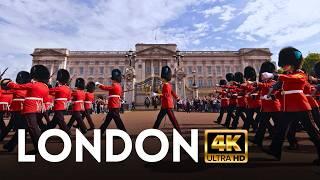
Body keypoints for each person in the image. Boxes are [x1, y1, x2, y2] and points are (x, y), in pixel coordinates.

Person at [262, 47, 320, 165]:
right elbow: (278, 86)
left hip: (301, 106)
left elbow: (292, 79)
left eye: (285, 64)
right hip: (287, 107)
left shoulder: (301, 74)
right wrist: (269, 94)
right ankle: (275, 151)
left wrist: (274, 76)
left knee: (313, 132)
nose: (283, 66)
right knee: (280, 130)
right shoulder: (286, 75)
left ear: (293, 63)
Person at [1, 65, 50, 154]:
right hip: (37, 108)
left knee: (33, 129)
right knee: (26, 128)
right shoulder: (45, 87)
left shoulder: (33, 85)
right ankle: (10, 145)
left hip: (29, 109)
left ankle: (40, 148)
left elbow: (17, 87)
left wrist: (7, 82)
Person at [0, 71, 30, 143]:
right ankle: (11, 144)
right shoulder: (27, 88)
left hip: (19, 109)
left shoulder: (16, 88)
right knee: (20, 127)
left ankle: (10, 144)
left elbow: (4, 90)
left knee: (16, 127)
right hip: (21, 109)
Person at [96, 69, 127, 133]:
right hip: (115, 104)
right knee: (108, 120)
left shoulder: (114, 85)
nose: (111, 80)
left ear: (114, 79)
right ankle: (100, 132)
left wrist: (99, 85)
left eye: (112, 79)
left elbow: (105, 88)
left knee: (116, 120)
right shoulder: (119, 86)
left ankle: (124, 132)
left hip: (113, 105)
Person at [152, 66, 181, 133]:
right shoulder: (167, 85)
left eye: (162, 78)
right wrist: (177, 98)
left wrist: (156, 94)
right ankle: (154, 130)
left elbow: (166, 95)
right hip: (165, 105)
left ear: (164, 78)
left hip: (167, 105)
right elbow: (172, 92)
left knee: (173, 119)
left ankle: (179, 132)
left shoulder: (166, 85)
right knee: (159, 118)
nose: (161, 79)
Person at [46, 69, 72, 134]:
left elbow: (48, 91)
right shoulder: (68, 89)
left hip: (58, 106)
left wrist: (45, 83)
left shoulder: (59, 88)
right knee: (54, 122)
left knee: (61, 121)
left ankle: (67, 132)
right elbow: (68, 98)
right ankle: (45, 130)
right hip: (64, 106)